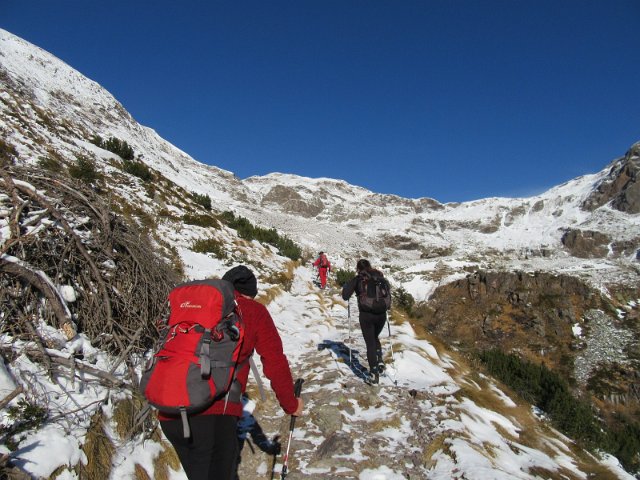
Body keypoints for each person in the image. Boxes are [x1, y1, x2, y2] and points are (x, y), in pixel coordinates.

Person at [159, 265, 304, 480]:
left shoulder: (196, 308)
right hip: (213, 414)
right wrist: (291, 404)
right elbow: (274, 362)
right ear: (250, 293)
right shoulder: (253, 311)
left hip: (169, 410)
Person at [341, 259, 388, 385]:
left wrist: (347, 286)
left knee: (370, 343)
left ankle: (374, 374)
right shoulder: (379, 277)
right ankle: (379, 360)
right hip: (382, 314)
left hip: (366, 315)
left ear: (358, 268)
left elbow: (345, 296)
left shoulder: (358, 279)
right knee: (375, 337)